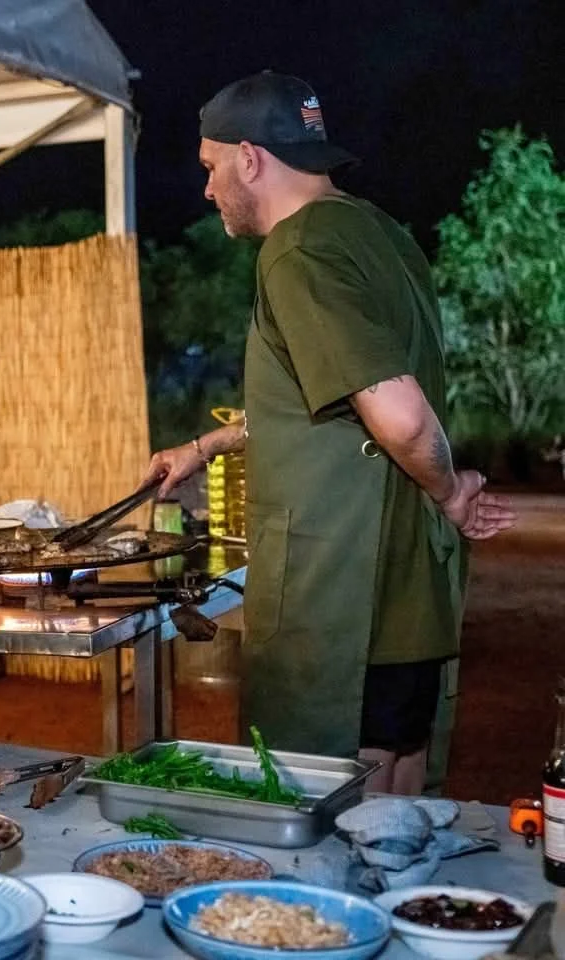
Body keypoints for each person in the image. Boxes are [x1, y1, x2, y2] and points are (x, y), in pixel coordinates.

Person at [146, 73, 516, 796]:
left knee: (339, 814)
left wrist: (450, 491)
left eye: (210, 165)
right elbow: (339, 394)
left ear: (250, 158)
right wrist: (207, 445)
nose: (207, 188)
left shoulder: (298, 254)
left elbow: (400, 415)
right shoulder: (378, 234)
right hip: (404, 589)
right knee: (401, 791)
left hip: (344, 595)